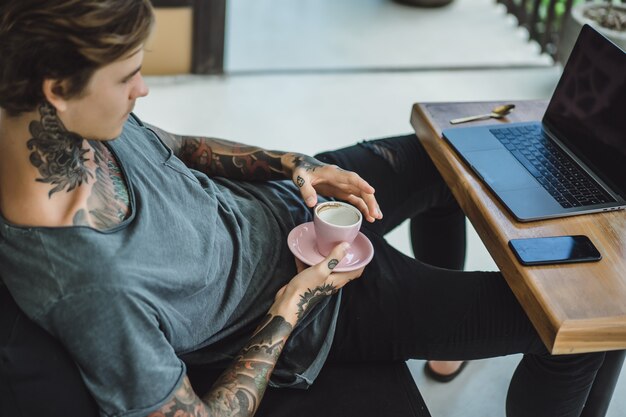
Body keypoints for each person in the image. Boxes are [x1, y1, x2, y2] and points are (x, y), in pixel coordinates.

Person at [0, 1, 606, 417]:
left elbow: (180, 148)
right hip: (317, 307)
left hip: (286, 206)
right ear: (57, 88)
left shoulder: (72, 126)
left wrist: (297, 164)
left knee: (455, 157)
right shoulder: (92, 288)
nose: (143, 89)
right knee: (582, 328)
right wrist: (290, 310)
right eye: (129, 76)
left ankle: (446, 348)